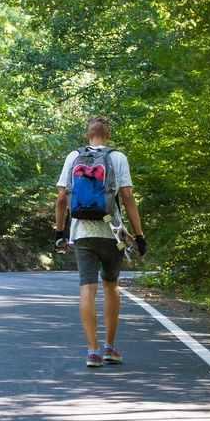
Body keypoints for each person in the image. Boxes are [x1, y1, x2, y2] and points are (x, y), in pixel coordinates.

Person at [55, 114, 146, 367]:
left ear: (87, 135)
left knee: (87, 288)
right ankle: (109, 347)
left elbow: (62, 199)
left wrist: (60, 233)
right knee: (110, 286)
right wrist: (139, 236)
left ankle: (92, 351)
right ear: (108, 135)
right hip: (112, 233)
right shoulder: (117, 157)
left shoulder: (73, 157)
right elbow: (127, 197)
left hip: (81, 234)